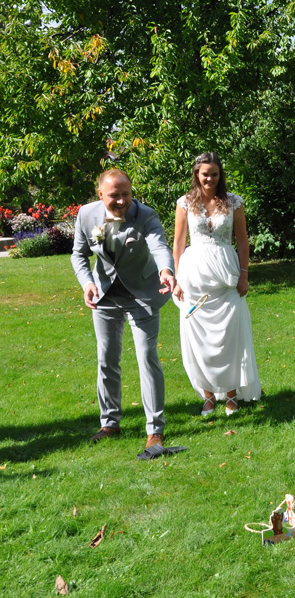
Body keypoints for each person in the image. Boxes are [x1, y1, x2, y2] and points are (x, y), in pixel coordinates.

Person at [71, 169, 176, 451]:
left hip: (142, 293)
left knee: (147, 357)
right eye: (114, 196)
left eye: (126, 194)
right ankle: (110, 424)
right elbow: (78, 254)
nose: (121, 201)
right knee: (106, 359)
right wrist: (87, 283)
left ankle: (155, 430)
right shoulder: (87, 215)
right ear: (101, 194)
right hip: (105, 295)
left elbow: (159, 246)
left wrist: (166, 270)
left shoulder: (146, 216)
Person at [172, 152, 261, 415]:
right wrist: (177, 279)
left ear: (220, 176)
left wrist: (244, 273)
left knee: (230, 336)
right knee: (200, 339)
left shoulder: (234, 202)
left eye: (214, 174)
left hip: (227, 277)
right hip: (194, 277)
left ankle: (232, 394)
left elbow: (243, 240)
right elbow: (178, 242)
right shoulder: (185, 203)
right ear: (196, 175)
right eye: (204, 174)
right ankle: (209, 396)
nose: (209, 178)